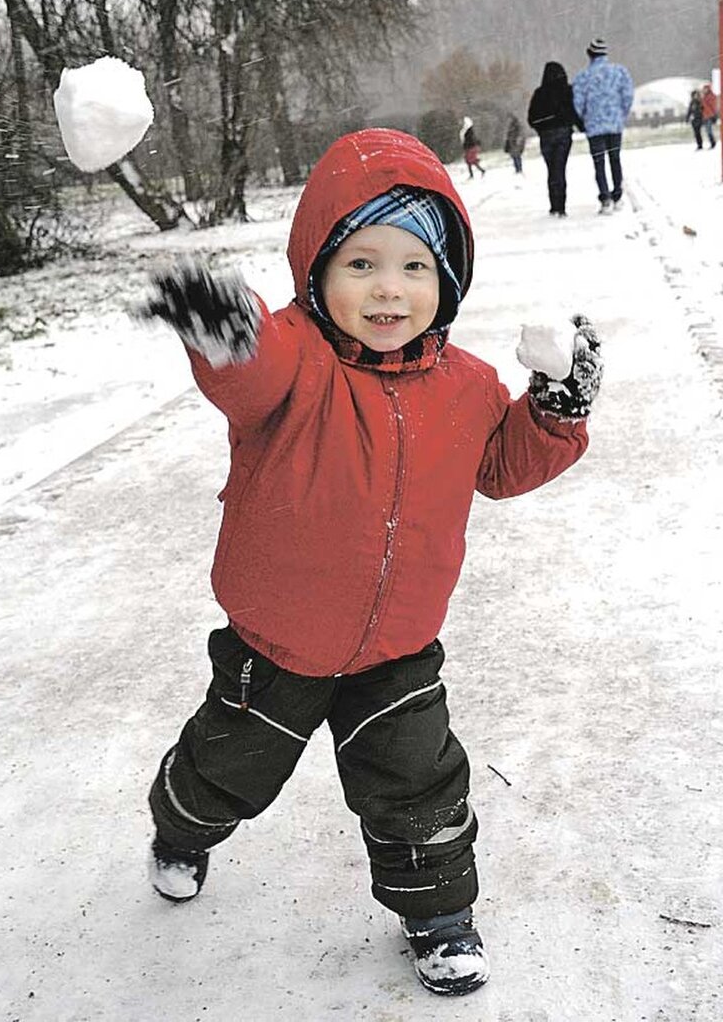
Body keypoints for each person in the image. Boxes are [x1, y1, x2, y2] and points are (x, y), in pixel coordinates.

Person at [137, 128, 603, 998]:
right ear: (316, 273)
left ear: (447, 282)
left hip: (398, 648)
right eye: (361, 265)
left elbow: (502, 467)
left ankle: (437, 915)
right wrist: (222, 322)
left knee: (418, 786)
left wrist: (553, 413)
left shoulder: (465, 384)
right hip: (276, 642)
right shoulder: (293, 364)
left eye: (415, 267)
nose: (389, 287)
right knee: (226, 767)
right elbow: (246, 369)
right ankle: (180, 830)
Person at [571, 37, 634, 215]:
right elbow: (628, 95)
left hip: (594, 126)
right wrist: (621, 113)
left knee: (599, 163)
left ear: (590, 54)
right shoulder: (619, 72)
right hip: (615, 124)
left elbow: (577, 102)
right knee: (615, 159)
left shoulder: (583, 77)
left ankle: (605, 197)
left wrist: (585, 118)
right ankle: (617, 194)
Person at [527, 62, 583, 216]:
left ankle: (554, 204)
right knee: (560, 168)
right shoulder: (567, 91)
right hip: (564, 134)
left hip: (546, 136)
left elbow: (531, 118)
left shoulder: (539, 94)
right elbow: (573, 111)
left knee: (551, 170)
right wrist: (581, 126)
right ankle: (561, 205)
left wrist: (542, 128)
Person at [701, 83, 719, 149]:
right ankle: (712, 142)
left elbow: (711, 106)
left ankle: (713, 142)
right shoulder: (704, 97)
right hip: (705, 116)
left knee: (709, 130)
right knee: (707, 130)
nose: (704, 90)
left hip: (710, 115)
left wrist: (703, 103)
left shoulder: (711, 96)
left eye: (705, 89)